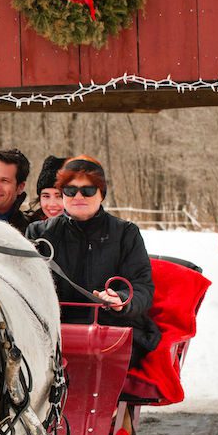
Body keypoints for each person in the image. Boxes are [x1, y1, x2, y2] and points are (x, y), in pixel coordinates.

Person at [25, 155, 160, 369]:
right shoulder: (39, 233)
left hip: (109, 329)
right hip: (55, 331)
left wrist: (121, 299)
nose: (79, 196)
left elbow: (142, 286)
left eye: (87, 190)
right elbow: (25, 285)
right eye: (70, 190)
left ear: (101, 194)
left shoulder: (125, 233)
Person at [27, 155, 67, 222]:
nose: (52, 204)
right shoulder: (28, 228)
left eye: (59, 196)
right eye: (46, 196)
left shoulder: (85, 229)